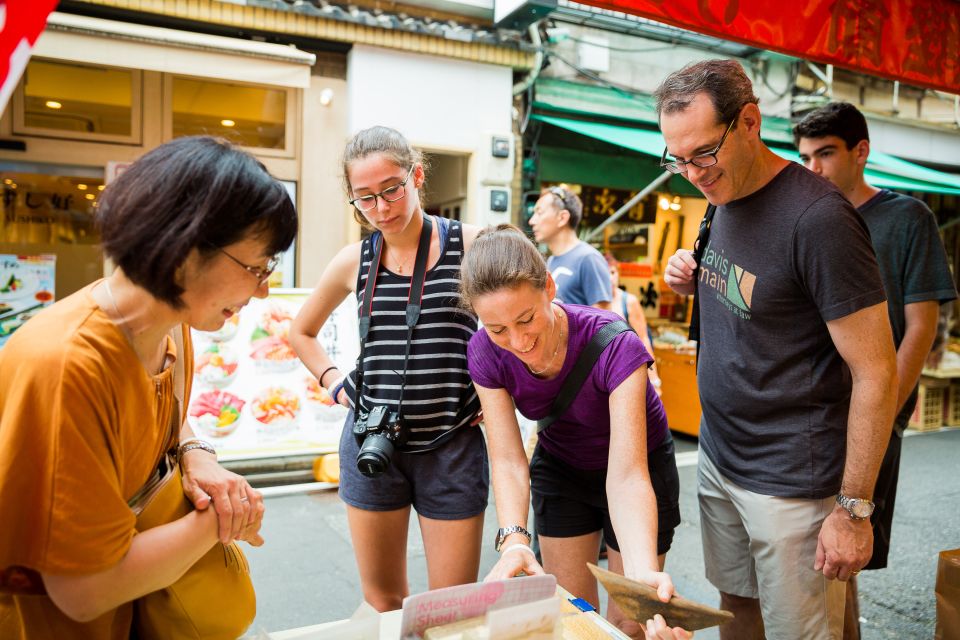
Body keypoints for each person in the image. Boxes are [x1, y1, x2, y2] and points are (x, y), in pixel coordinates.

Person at [0, 136, 297, 637]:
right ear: (184, 246)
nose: (263, 288)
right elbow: (83, 590)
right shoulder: (67, 364)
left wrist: (197, 454)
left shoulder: (171, 321)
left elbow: (166, 420)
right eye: (257, 266)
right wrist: (223, 520)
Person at [658, 60, 898, 639]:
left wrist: (854, 509)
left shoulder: (818, 218)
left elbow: (876, 371)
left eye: (702, 154)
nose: (691, 173)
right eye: (677, 158)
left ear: (748, 122)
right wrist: (690, 275)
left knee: (805, 631)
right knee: (736, 607)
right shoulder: (722, 193)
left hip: (794, 478)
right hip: (721, 455)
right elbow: (756, 296)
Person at [290, 126, 487, 612]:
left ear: (417, 176)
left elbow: (518, 325)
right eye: (365, 199)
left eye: (392, 189)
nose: (381, 208)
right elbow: (301, 332)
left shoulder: (473, 246)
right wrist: (335, 384)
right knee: (383, 599)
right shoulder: (353, 260)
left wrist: (495, 389)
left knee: (451, 605)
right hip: (372, 443)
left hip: (453, 443)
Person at [461, 225, 687, 640]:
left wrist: (642, 575)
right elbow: (508, 458)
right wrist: (513, 538)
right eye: (498, 329)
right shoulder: (483, 350)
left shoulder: (616, 344)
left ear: (548, 287)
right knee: (572, 617)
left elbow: (627, 475)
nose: (517, 340)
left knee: (630, 621)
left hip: (637, 465)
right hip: (562, 464)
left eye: (526, 319)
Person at [795, 101, 957, 639]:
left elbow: (921, 326)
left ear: (860, 152)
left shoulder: (907, 218)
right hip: (808, 412)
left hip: (869, 413)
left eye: (825, 154)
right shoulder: (808, 216)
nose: (813, 168)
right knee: (816, 560)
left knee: (842, 557)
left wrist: (884, 412)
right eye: (804, 157)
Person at [529, 185, 612, 310]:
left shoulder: (588, 258)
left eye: (539, 213)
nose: (532, 221)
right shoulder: (551, 261)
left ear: (562, 217)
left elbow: (604, 320)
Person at [605, 253, 662, 393]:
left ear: (618, 273)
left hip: (629, 370)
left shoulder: (629, 301)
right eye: (605, 273)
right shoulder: (590, 302)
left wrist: (654, 379)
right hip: (603, 373)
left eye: (613, 272)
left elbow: (643, 340)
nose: (610, 278)